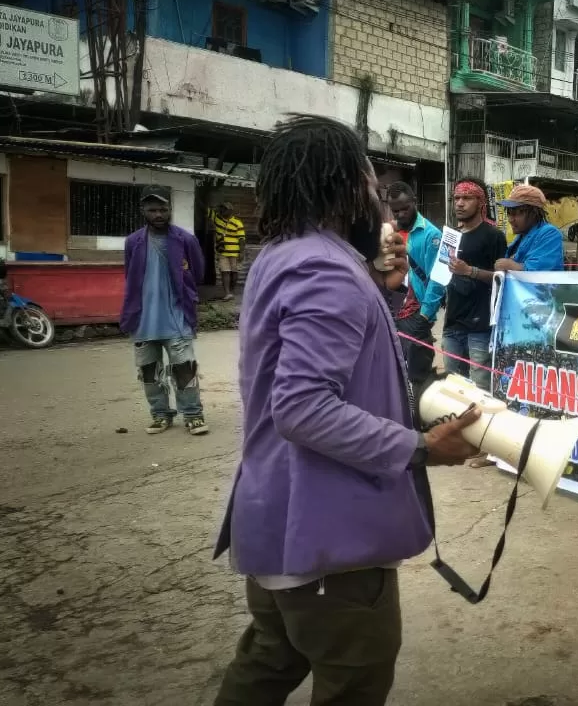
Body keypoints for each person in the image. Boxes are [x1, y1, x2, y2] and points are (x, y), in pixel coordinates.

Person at [212, 114, 482, 706]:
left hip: (279, 520)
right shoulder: (325, 270)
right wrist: (418, 447)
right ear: (344, 187)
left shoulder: (284, 254)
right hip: (325, 538)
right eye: (370, 186)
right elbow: (302, 408)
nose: (377, 204)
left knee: (268, 661)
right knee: (354, 679)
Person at [120, 185, 209, 436]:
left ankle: (193, 415)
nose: (158, 214)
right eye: (152, 210)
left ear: (170, 209)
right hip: (142, 319)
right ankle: (160, 415)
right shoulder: (133, 242)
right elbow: (131, 276)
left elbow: (198, 273)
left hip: (177, 316)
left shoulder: (186, 240)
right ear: (143, 211)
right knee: (150, 372)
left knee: (184, 368)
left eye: (163, 209)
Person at [443, 177, 507, 391]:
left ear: (480, 203)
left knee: (478, 388)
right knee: (452, 386)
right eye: (456, 198)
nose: (459, 203)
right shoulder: (452, 236)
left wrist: (470, 271)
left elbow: (503, 279)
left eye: (467, 198)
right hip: (452, 323)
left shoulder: (494, 236)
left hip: (480, 326)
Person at [390, 181, 445, 395]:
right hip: (391, 308)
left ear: (415, 202)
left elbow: (438, 279)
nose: (401, 214)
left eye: (405, 208)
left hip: (415, 313)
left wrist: (425, 316)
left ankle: (417, 421)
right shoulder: (388, 231)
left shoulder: (431, 235)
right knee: (393, 372)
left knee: (416, 375)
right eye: (396, 210)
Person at [494, 184, 565, 273]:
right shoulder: (521, 236)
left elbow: (539, 272)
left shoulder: (550, 233)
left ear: (534, 213)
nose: (510, 219)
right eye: (509, 213)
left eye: (516, 213)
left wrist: (510, 265)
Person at [210, 202, 245, 301]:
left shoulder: (237, 222)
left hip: (235, 252)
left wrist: (241, 252)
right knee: (225, 272)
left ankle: (231, 291)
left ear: (230, 211)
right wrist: (215, 208)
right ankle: (228, 293)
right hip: (222, 251)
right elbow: (205, 209)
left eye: (224, 209)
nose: (222, 211)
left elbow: (242, 239)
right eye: (221, 209)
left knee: (234, 273)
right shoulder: (217, 218)